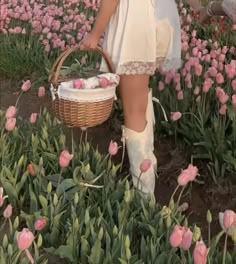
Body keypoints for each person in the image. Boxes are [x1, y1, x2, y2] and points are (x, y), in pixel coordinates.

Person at [80, 0, 181, 197]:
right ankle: (147, 169)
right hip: (158, 13)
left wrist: (94, 34)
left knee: (133, 109)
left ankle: (144, 195)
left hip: (134, 21)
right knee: (139, 99)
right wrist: (201, 9)